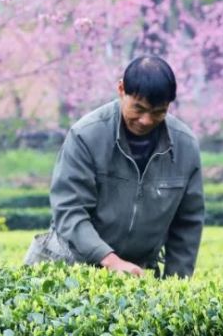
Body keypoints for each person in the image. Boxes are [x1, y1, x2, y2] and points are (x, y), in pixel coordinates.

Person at [24, 55, 204, 278]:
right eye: (138, 108)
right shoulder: (86, 135)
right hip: (69, 266)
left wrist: (177, 286)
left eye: (158, 112)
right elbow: (69, 212)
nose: (146, 120)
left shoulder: (185, 145)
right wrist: (111, 261)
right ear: (121, 89)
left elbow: (187, 224)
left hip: (133, 274)